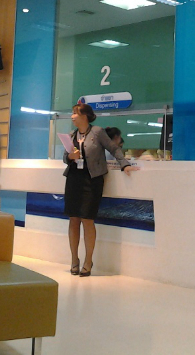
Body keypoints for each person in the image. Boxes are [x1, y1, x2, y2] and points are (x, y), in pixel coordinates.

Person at [64, 103, 137, 277]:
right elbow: (65, 158)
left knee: (87, 219)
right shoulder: (71, 135)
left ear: (85, 116)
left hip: (92, 180)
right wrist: (70, 156)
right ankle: (74, 260)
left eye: (75, 113)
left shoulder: (97, 132)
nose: (72, 116)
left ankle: (88, 261)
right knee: (73, 219)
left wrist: (124, 164)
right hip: (74, 179)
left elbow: (113, 148)